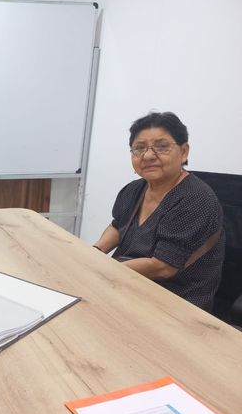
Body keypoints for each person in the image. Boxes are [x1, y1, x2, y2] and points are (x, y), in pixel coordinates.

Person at [93, 112, 224, 311]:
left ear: (184, 152)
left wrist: (103, 269)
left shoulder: (196, 199)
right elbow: (117, 226)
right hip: (128, 283)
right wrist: (95, 252)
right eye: (139, 148)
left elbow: (163, 267)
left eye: (162, 147)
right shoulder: (134, 189)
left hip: (175, 303)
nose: (147, 156)